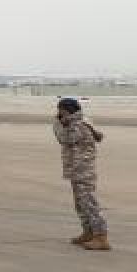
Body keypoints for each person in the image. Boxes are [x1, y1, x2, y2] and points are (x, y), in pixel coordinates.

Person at [54, 97, 109, 251]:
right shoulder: (76, 122)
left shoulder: (77, 125)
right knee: (80, 204)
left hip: (83, 171)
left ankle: (101, 237)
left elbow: (64, 139)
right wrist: (63, 123)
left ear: (66, 110)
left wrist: (58, 124)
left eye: (60, 110)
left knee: (89, 204)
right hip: (78, 170)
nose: (58, 113)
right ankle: (89, 232)